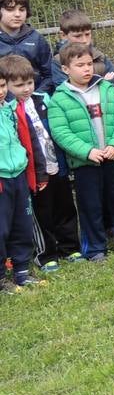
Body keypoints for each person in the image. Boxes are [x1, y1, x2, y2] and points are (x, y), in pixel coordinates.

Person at [47, 43, 114, 260]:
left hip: (112, 158)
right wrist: (87, 151)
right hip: (85, 164)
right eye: (79, 65)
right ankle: (95, 248)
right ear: (65, 69)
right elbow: (61, 132)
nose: (86, 69)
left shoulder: (107, 89)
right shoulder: (60, 99)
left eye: (89, 64)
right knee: (90, 206)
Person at [0, 55, 81, 272]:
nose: (26, 89)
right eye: (18, 85)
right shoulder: (8, 110)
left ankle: (70, 247)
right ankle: (46, 255)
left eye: (29, 83)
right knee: (41, 213)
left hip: (57, 165)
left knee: (65, 207)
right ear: (6, 85)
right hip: (35, 172)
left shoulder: (43, 98)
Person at [0, 60, 37, 291]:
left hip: (19, 174)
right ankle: (2, 278)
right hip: (1, 180)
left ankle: (22, 270)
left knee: (22, 224)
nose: (1, 91)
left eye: (3, 85)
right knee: (1, 229)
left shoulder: (10, 109)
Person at [0, 0, 53, 93]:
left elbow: (49, 75)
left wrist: (36, 96)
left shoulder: (36, 39)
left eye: (22, 9)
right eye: (10, 9)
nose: (17, 14)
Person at [51, 10, 114, 87]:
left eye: (87, 34)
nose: (84, 40)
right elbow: (65, 89)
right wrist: (104, 83)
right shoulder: (58, 61)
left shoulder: (99, 57)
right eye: (78, 36)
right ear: (63, 35)